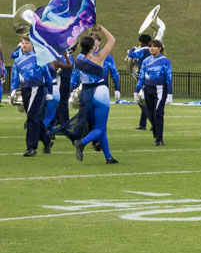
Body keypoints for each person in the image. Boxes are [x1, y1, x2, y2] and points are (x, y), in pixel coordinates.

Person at [68, 26, 120, 164]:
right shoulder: (98, 57)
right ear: (92, 46)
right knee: (100, 127)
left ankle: (108, 157)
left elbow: (75, 77)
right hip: (100, 93)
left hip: (86, 95)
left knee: (98, 127)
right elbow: (112, 40)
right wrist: (102, 28)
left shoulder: (78, 59)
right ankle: (82, 142)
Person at [10, 36, 57, 156]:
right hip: (25, 89)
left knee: (31, 116)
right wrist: (13, 90)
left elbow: (47, 76)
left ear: (32, 45)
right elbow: (15, 77)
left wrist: (50, 92)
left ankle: (31, 147)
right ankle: (46, 141)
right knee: (34, 117)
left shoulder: (39, 58)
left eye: (27, 43)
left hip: (37, 89)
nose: (24, 45)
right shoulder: (17, 61)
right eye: (22, 43)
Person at [136, 39, 172, 146]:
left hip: (160, 89)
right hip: (148, 89)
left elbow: (168, 77)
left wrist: (170, 93)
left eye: (154, 46)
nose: (151, 48)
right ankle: (156, 136)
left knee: (158, 113)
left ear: (160, 48)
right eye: (150, 46)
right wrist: (136, 90)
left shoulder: (165, 61)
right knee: (150, 114)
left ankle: (159, 139)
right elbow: (141, 76)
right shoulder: (146, 61)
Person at [127, 34, 152, 130]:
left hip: (142, 78)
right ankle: (142, 124)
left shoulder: (143, 50)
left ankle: (152, 122)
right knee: (144, 100)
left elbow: (131, 54)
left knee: (140, 100)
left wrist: (133, 48)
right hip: (151, 78)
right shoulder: (151, 50)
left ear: (141, 42)